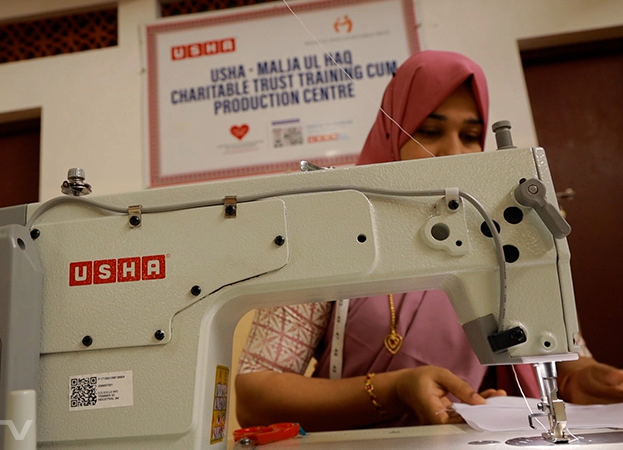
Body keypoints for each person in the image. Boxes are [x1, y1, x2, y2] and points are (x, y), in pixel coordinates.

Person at [235, 50, 623, 432]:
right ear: (392, 133)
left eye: (470, 136)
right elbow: (256, 396)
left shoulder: (507, 232)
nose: (454, 153)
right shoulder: (326, 231)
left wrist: (585, 377)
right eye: (430, 131)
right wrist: (393, 391)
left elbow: (563, 360)